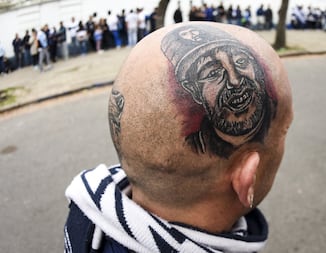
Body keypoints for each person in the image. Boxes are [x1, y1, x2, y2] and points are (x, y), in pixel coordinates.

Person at [64, 22, 293, 253]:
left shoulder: (87, 226)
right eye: (212, 73)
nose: (235, 80)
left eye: (242, 62)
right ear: (247, 179)